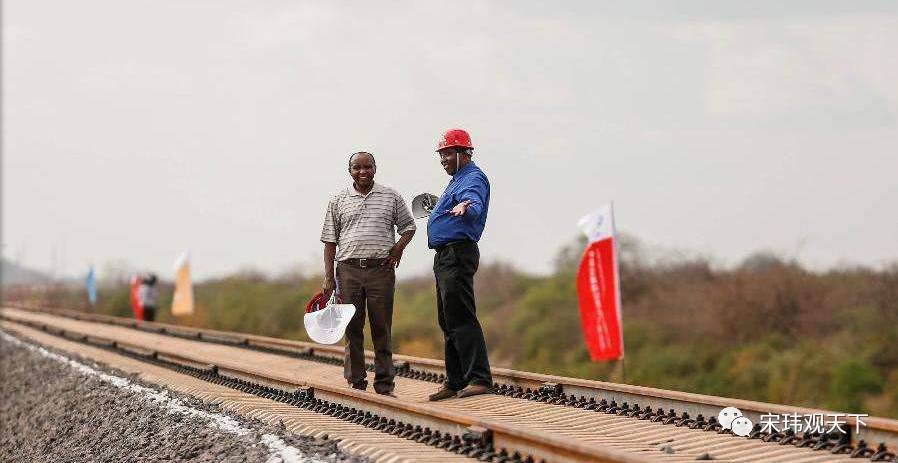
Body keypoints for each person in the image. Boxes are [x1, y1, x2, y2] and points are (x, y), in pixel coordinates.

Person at [320, 151, 416, 397]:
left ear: (375, 168)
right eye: (357, 167)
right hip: (348, 271)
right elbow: (330, 241)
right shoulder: (338, 200)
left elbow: (409, 227)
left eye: (367, 167)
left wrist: (397, 249)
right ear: (349, 171)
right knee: (352, 328)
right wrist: (329, 277)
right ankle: (356, 382)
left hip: (380, 271)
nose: (362, 172)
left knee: (381, 327)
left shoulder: (390, 196)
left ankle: (385, 384)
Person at [426, 128, 493, 401]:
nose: (442, 159)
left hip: (458, 253)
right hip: (445, 256)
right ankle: (454, 381)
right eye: (440, 155)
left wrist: (467, 207)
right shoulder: (455, 180)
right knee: (447, 319)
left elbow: (473, 199)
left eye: (446, 154)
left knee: (461, 316)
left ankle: (479, 378)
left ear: (462, 153)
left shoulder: (472, 177)